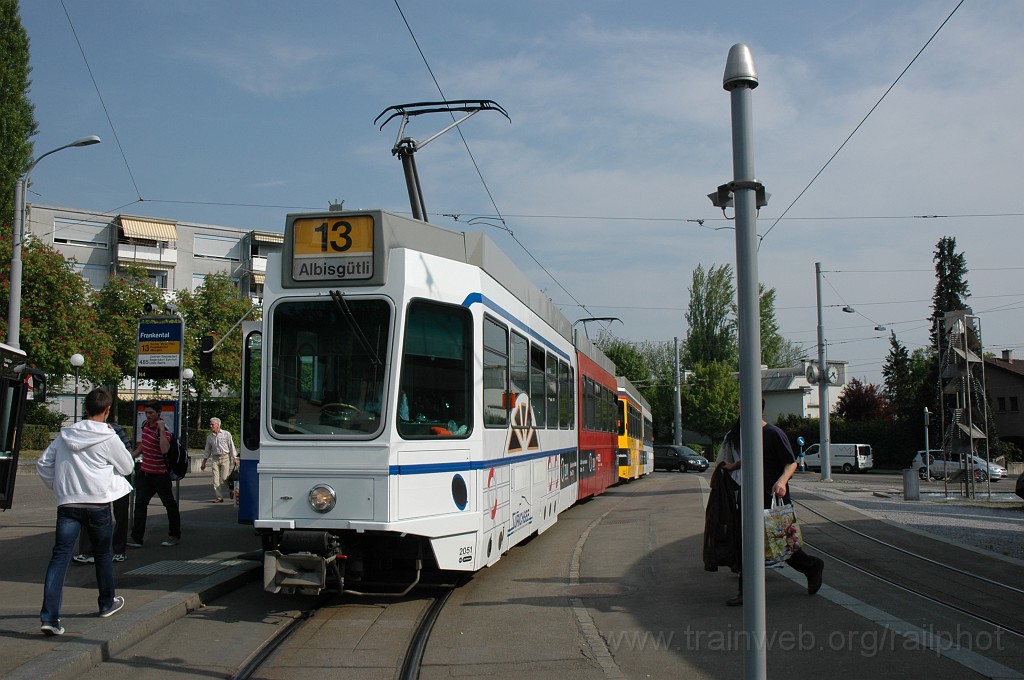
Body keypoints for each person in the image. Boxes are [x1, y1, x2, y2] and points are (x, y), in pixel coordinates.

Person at [36, 388, 133, 635]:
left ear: (85, 408)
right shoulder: (109, 437)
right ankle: (106, 602)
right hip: (98, 504)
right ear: (107, 410)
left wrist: (60, 488)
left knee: (59, 558)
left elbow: (43, 464)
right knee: (102, 555)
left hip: (68, 505)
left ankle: (49, 618)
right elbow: (127, 466)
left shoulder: (64, 435)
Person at [720, 407, 825, 606]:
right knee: (746, 543)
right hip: (749, 495)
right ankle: (747, 591)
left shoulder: (774, 433)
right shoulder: (749, 435)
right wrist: (734, 466)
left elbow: (791, 463)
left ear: (757, 410)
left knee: (782, 545)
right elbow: (754, 458)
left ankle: (812, 566)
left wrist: (782, 481)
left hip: (772, 497)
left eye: (744, 410)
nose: (741, 415)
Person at [73, 421, 133, 564]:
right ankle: (88, 551)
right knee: (91, 515)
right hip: (97, 482)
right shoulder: (84, 432)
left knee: (120, 515)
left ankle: (119, 550)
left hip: (117, 481)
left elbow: (128, 459)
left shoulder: (114, 431)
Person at [128, 401, 181, 548]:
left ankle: (174, 534)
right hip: (146, 472)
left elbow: (164, 449)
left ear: (159, 413)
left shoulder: (164, 430)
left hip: (160, 474)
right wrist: (132, 455)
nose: (148, 415)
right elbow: (143, 445)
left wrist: (162, 430)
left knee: (169, 505)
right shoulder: (145, 425)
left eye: (151, 413)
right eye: (146, 413)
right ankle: (137, 538)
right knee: (139, 505)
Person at [200, 417, 238, 503]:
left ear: (218, 425)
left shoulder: (226, 434)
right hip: (215, 458)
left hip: (225, 457)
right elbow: (207, 450)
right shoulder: (210, 437)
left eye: (212, 424)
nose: (210, 426)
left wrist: (234, 457)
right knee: (215, 479)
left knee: (224, 477)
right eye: (210, 424)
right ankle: (219, 497)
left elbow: (231, 446)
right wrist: (204, 462)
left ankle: (231, 488)